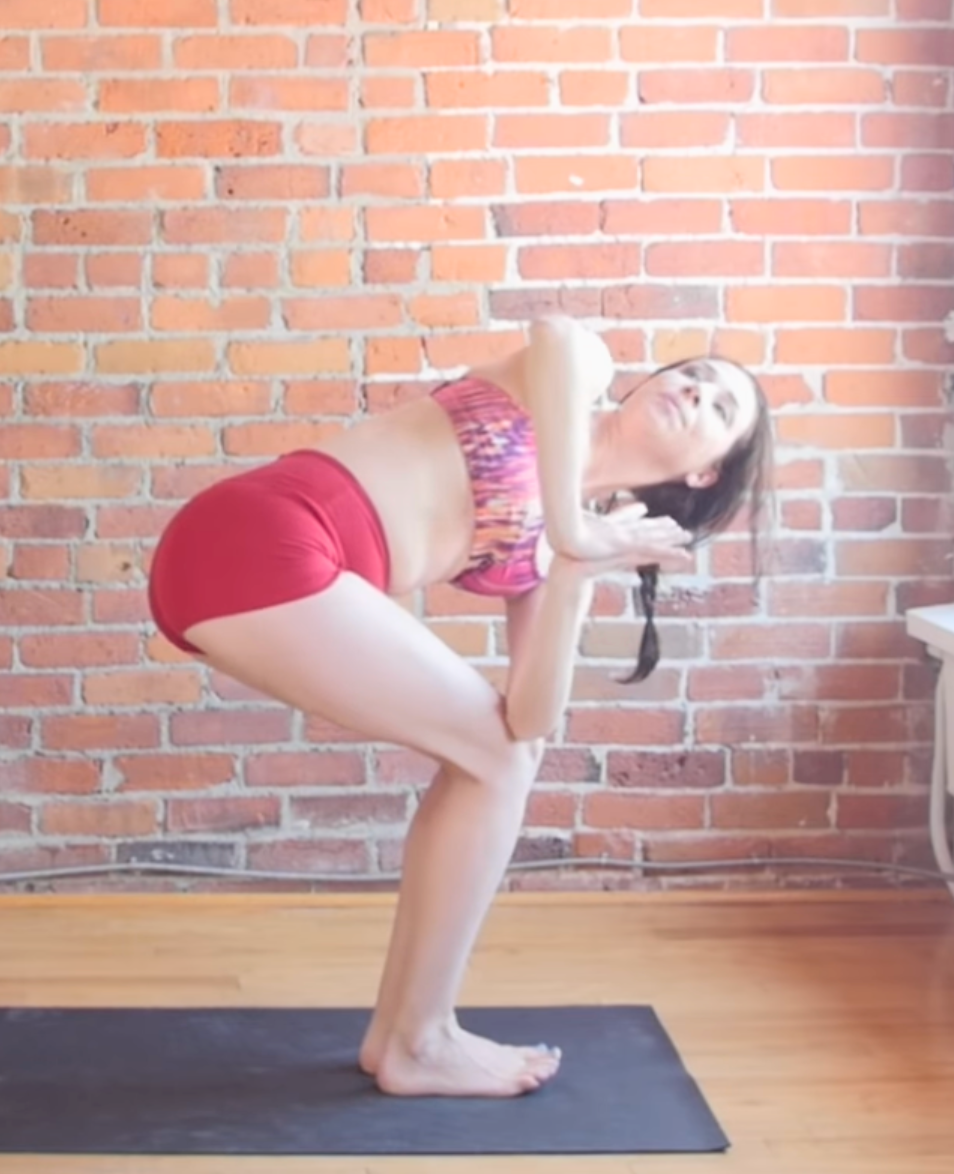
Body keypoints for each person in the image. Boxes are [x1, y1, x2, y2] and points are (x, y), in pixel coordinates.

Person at [144, 316, 773, 1098]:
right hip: (261, 533)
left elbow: (531, 720)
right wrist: (579, 533)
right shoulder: (574, 374)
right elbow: (557, 332)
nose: (695, 391)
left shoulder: (556, 546)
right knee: (497, 757)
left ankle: (403, 1034)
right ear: (646, 381)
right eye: (692, 375)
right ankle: (426, 1038)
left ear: (708, 472)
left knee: (501, 757)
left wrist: (577, 573)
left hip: (268, 575)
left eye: (720, 408)